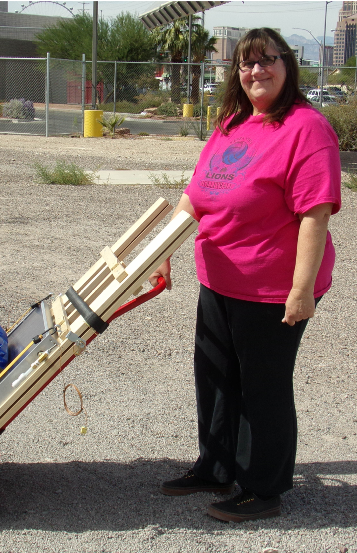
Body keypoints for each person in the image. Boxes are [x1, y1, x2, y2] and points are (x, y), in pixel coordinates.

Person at [150, 28, 341, 522]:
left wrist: (301, 292)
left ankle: (263, 488)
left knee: (263, 387)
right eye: (247, 64)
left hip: (272, 288)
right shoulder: (232, 123)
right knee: (215, 378)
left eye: (267, 61)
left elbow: (314, 216)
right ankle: (215, 466)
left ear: (286, 65)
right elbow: (195, 195)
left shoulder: (306, 127)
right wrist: (163, 249)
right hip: (218, 279)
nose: (258, 71)